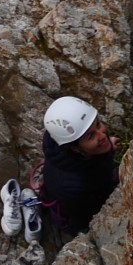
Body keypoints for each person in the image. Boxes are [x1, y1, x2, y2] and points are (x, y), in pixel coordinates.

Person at [30, 95, 118, 238]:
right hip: (80, 213)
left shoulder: (69, 142)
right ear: (75, 149)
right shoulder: (73, 186)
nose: (102, 135)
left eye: (98, 124)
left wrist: (107, 148)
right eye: (91, 136)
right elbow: (86, 219)